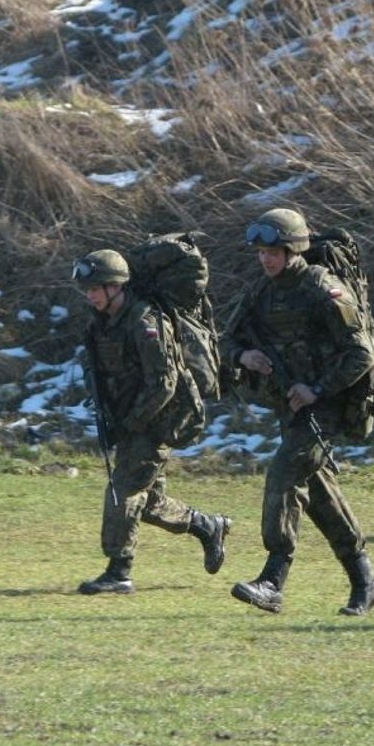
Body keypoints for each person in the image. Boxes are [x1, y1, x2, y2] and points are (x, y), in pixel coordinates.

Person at [221, 208, 374, 616]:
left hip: (325, 407)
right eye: (261, 252)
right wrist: (246, 355)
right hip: (290, 408)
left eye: (274, 250)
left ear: (294, 248)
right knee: (318, 493)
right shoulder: (262, 291)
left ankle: (273, 580)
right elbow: (226, 339)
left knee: (283, 475)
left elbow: (361, 354)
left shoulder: (322, 288)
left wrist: (316, 389)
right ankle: (366, 580)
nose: (266, 258)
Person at [72, 249, 231, 594]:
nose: (90, 295)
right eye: (87, 289)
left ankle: (118, 572)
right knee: (150, 502)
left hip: (157, 419)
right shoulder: (100, 321)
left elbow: (164, 382)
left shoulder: (144, 321)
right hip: (128, 417)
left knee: (124, 490)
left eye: (95, 288)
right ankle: (207, 525)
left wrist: (132, 421)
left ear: (115, 286)